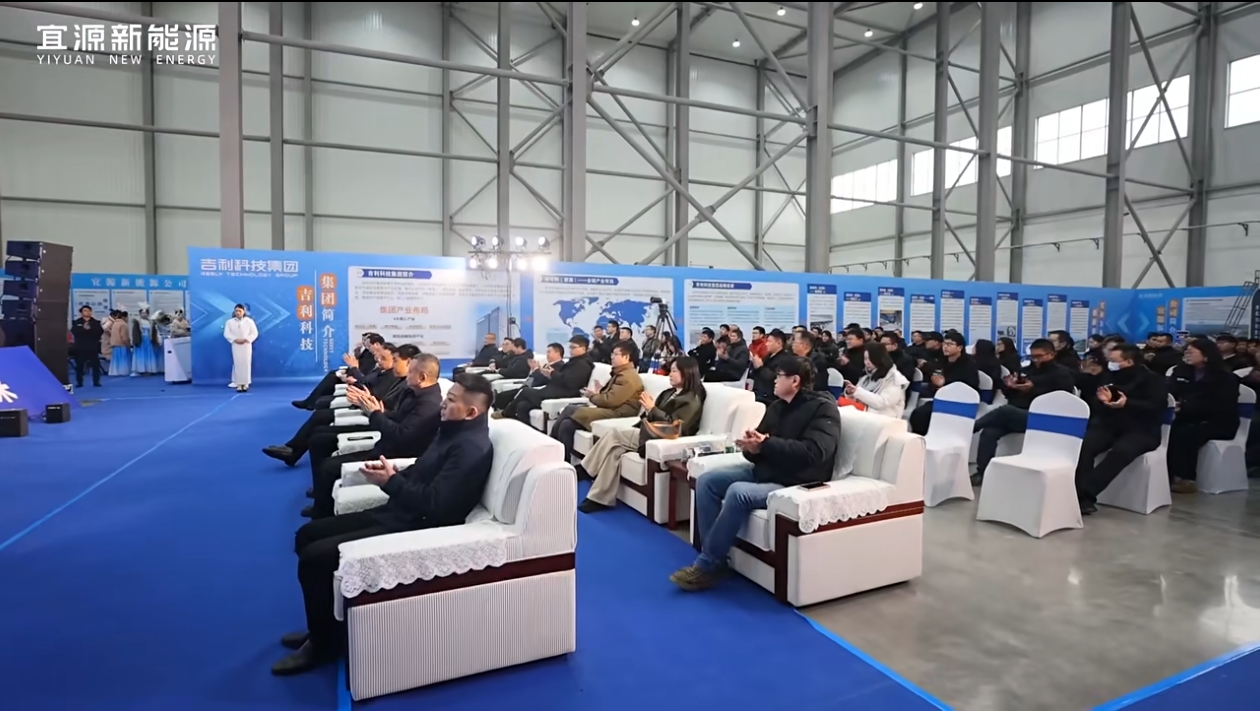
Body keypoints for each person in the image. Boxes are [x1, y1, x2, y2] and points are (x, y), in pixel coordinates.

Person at [272, 373, 495, 676]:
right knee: (307, 535)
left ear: (471, 412)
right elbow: (422, 470)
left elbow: (437, 506)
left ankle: (323, 646)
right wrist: (392, 474)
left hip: (418, 526)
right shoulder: (452, 431)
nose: (443, 404)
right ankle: (323, 627)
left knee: (314, 558)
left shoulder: (470, 448)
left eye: (452, 400)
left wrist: (391, 483)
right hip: (400, 511)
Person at [670, 357, 840, 592]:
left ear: (795, 381)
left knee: (738, 492)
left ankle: (707, 564)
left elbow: (814, 452)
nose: (774, 380)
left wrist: (766, 445)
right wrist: (751, 448)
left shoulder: (823, 409)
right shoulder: (777, 407)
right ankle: (714, 558)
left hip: (796, 479)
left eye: (779, 376)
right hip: (767, 470)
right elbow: (760, 445)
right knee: (707, 481)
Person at [306, 353, 445, 519]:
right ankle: (321, 501)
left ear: (422, 377)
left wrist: (374, 413)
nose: (407, 374)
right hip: (384, 445)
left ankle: (322, 515)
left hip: (393, 455)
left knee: (328, 466)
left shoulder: (429, 404)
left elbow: (401, 436)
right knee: (319, 442)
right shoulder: (413, 392)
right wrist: (375, 410)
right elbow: (396, 417)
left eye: (410, 372)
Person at [578, 357, 706, 513]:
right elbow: (650, 416)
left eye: (674, 371)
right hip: (649, 432)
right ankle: (598, 498)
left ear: (686, 373)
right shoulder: (669, 393)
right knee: (615, 451)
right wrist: (649, 411)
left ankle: (586, 469)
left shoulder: (691, 399)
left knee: (615, 434)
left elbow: (677, 427)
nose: (670, 375)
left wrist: (652, 409)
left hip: (663, 439)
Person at [263, 345, 411, 466]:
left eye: (387, 359)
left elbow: (378, 397)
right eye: (379, 356)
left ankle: (295, 451)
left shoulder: (400, 382)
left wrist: (368, 398)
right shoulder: (390, 375)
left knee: (320, 430)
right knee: (320, 417)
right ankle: (293, 449)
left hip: (372, 418)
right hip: (368, 410)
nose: (378, 359)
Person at [1076, 344, 1168, 515]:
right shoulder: (1108, 376)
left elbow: (1156, 406)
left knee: (1121, 451)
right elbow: (1094, 401)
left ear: (1129, 362)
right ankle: (1083, 500)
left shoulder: (1152, 380)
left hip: (1142, 429)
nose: (1110, 364)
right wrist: (1103, 401)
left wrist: (1127, 404)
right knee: (1085, 446)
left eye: (1114, 360)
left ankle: (1084, 492)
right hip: (1110, 425)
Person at [971, 338, 1076, 485]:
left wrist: (1033, 390)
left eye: (1039, 356)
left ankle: (972, 427)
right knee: (989, 431)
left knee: (1005, 411)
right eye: (1032, 356)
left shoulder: (1062, 374)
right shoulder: (1027, 371)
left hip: (1044, 417)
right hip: (1019, 414)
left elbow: (1062, 399)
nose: (1035, 360)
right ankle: (983, 472)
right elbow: (1012, 397)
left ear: (1051, 354)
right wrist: (1010, 387)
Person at [1166, 338, 1240, 494]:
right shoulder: (1180, 371)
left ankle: (1186, 479)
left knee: (1185, 434)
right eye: (1186, 351)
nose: (1187, 354)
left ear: (1206, 355)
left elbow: (1222, 406)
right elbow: (1169, 391)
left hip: (1218, 422)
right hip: (1186, 417)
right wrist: (1175, 403)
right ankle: (1167, 475)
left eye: (1191, 352)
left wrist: (1186, 407)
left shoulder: (1225, 378)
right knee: (1168, 430)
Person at [551, 343, 643, 461]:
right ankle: (562, 459)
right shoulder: (621, 373)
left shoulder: (628, 377)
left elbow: (610, 401)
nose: (612, 357)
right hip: (610, 410)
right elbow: (611, 397)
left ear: (626, 357)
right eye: (612, 354)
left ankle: (552, 449)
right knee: (567, 424)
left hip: (618, 414)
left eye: (616, 354)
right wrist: (599, 393)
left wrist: (592, 396)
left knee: (570, 409)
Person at [502, 335, 594, 423]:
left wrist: (552, 374)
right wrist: (550, 374)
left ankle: (506, 414)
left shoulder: (582, 365)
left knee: (525, 391)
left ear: (583, 349)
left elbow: (570, 382)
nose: (571, 350)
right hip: (553, 391)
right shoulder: (574, 362)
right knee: (523, 405)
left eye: (573, 347)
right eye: (570, 347)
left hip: (562, 394)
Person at [908, 332, 980, 436]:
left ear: (959, 347)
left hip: (959, 401)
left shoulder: (968, 365)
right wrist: (936, 384)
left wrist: (944, 384)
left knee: (924, 415)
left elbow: (970, 387)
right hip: (941, 397)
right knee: (918, 414)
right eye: (944, 344)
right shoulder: (942, 361)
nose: (945, 347)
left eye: (950, 344)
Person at [293, 334, 384, 410]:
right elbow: (361, 367)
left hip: (360, 383)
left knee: (332, 379)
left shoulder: (379, 358)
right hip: (357, 377)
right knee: (332, 374)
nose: (367, 347)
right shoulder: (368, 353)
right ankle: (312, 401)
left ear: (376, 344)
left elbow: (365, 375)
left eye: (369, 345)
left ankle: (312, 402)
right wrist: (350, 370)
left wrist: (353, 373)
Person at [493, 342, 565, 411]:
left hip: (536, 389)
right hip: (530, 385)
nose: (547, 355)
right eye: (547, 352)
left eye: (549, 352)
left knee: (507, 396)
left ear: (557, 353)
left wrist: (536, 369)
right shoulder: (548, 365)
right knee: (505, 396)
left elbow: (543, 380)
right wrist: (534, 370)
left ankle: (502, 410)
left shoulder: (559, 366)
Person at [844, 341, 908, 418]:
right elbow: (858, 397)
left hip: (886, 418)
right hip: (865, 415)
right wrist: (851, 393)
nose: (867, 362)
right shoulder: (866, 377)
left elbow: (884, 402)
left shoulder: (894, 378)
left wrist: (858, 392)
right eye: (865, 359)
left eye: (870, 359)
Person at [223, 304, 259, 393]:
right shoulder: (229, 322)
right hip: (236, 345)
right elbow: (226, 334)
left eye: (240, 311)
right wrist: (235, 339)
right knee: (237, 363)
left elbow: (254, 333)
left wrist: (247, 339)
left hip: (246, 345)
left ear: (244, 311)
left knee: (246, 363)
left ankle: (246, 384)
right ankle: (239, 384)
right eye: (236, 311)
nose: (238, 313)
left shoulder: (249, 321)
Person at [748, 329, 790, 402]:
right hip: (759, 392)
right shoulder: (768, 356)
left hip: (770, 397)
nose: (766, 344)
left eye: (769, 341)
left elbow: (774, 377)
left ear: (779, 343)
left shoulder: (785, 359)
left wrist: (760, 367)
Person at [70, 305, 104, 388]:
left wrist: (90, 329)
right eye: (85, 311)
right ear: (81, 312)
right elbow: (74, 332)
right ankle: (79, 382)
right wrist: (83, 329)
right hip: (80, 347)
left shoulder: (96, 322)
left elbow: (100, 332)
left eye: (89, 311)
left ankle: (96, 381)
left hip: (92, 347)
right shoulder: (77, 322)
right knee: (79, 365)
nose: (87, 312)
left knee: (95, 365)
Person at [108, 309, 132, 376]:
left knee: (116, 360)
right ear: (124, 317)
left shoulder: (114, 323)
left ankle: (115, 372)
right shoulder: (123, 324)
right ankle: (123, 371)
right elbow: (124, 337)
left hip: (115, 345)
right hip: (122, 345)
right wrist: (128, 344)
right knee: (123, 359)